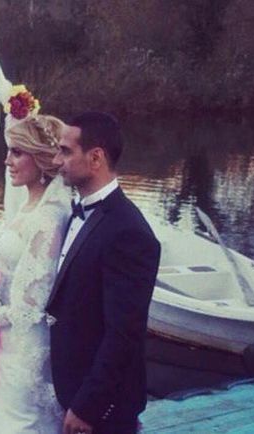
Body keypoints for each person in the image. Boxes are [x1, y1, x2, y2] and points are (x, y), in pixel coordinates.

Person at [0, 114, 72, 434]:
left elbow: (31, 308)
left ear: (41, 158)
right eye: (9, 151)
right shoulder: (28, 206)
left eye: (17, 152)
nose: (7, 161)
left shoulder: (49, 218)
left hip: (25, 349)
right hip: (7, 340)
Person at [47, 112, 161, 434]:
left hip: (102, 412)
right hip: (72, 392)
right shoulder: (78, 212)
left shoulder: (129, 233)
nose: (56, 161)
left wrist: (88, 406)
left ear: (95, 158)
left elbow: (124, 334)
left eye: (65, 151)